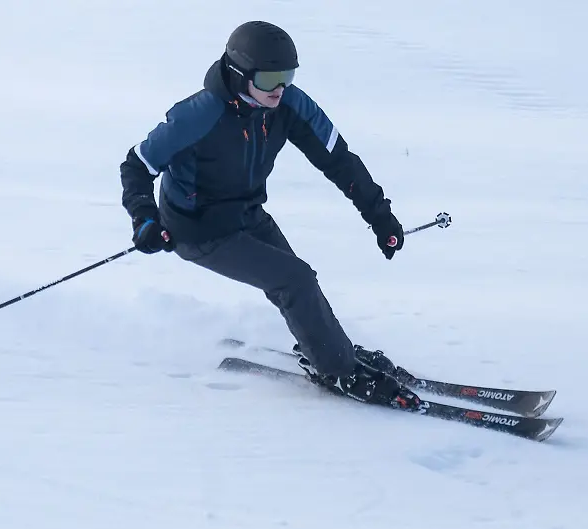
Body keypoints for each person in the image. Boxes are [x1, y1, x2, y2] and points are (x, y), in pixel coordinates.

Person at [120, 21, 420, 410]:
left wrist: (379, 215)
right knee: (295, 279)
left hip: (247, 213)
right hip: (197, 229)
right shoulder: (200, 114)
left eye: (287, 76)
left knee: (295, 278)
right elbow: (137, 165)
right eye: (269, 79)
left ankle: (327, 347)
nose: (279, 88)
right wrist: (144, 218)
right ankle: (338, 368)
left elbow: (339, 161)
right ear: (239, 74)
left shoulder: (288, 105)